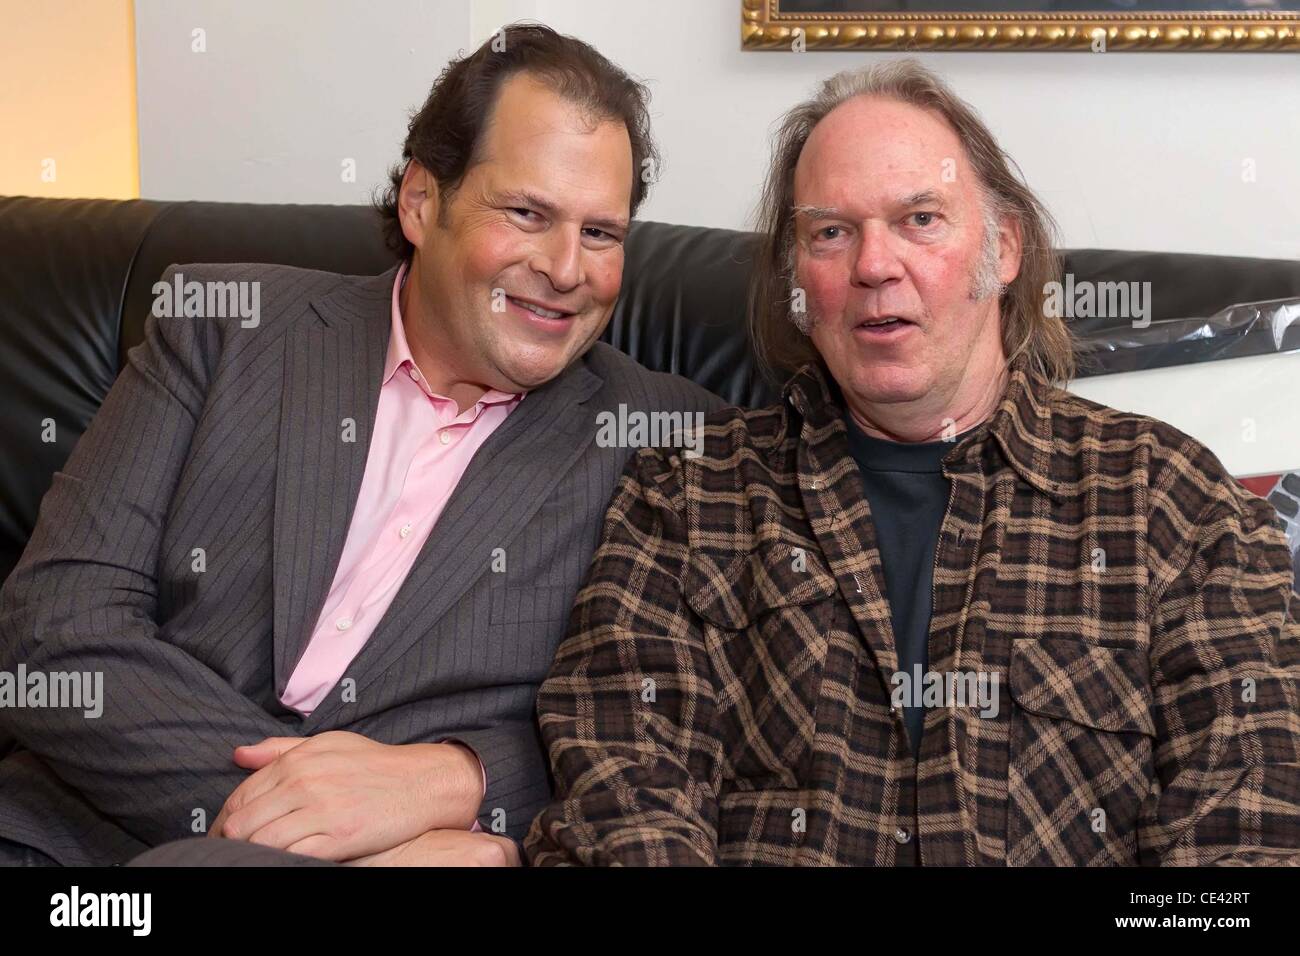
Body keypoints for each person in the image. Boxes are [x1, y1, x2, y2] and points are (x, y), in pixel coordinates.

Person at [525, 60, 1300, 866]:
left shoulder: (1171, 502)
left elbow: (1247, 836)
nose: (874, 265)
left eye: (920, 219)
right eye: (831, 231)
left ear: (1002, 249)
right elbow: (620, 799)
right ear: (797, 282)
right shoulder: (685, 496)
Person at [0, 24, 723, 868]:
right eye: (527, 213)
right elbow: (52, 626)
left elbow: (677, 727)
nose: (568, 270)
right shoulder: (223, 327)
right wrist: (308, 826)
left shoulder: (671, 441)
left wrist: (459, 783)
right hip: (69, 843)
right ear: (422, 201)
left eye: (602, 234)